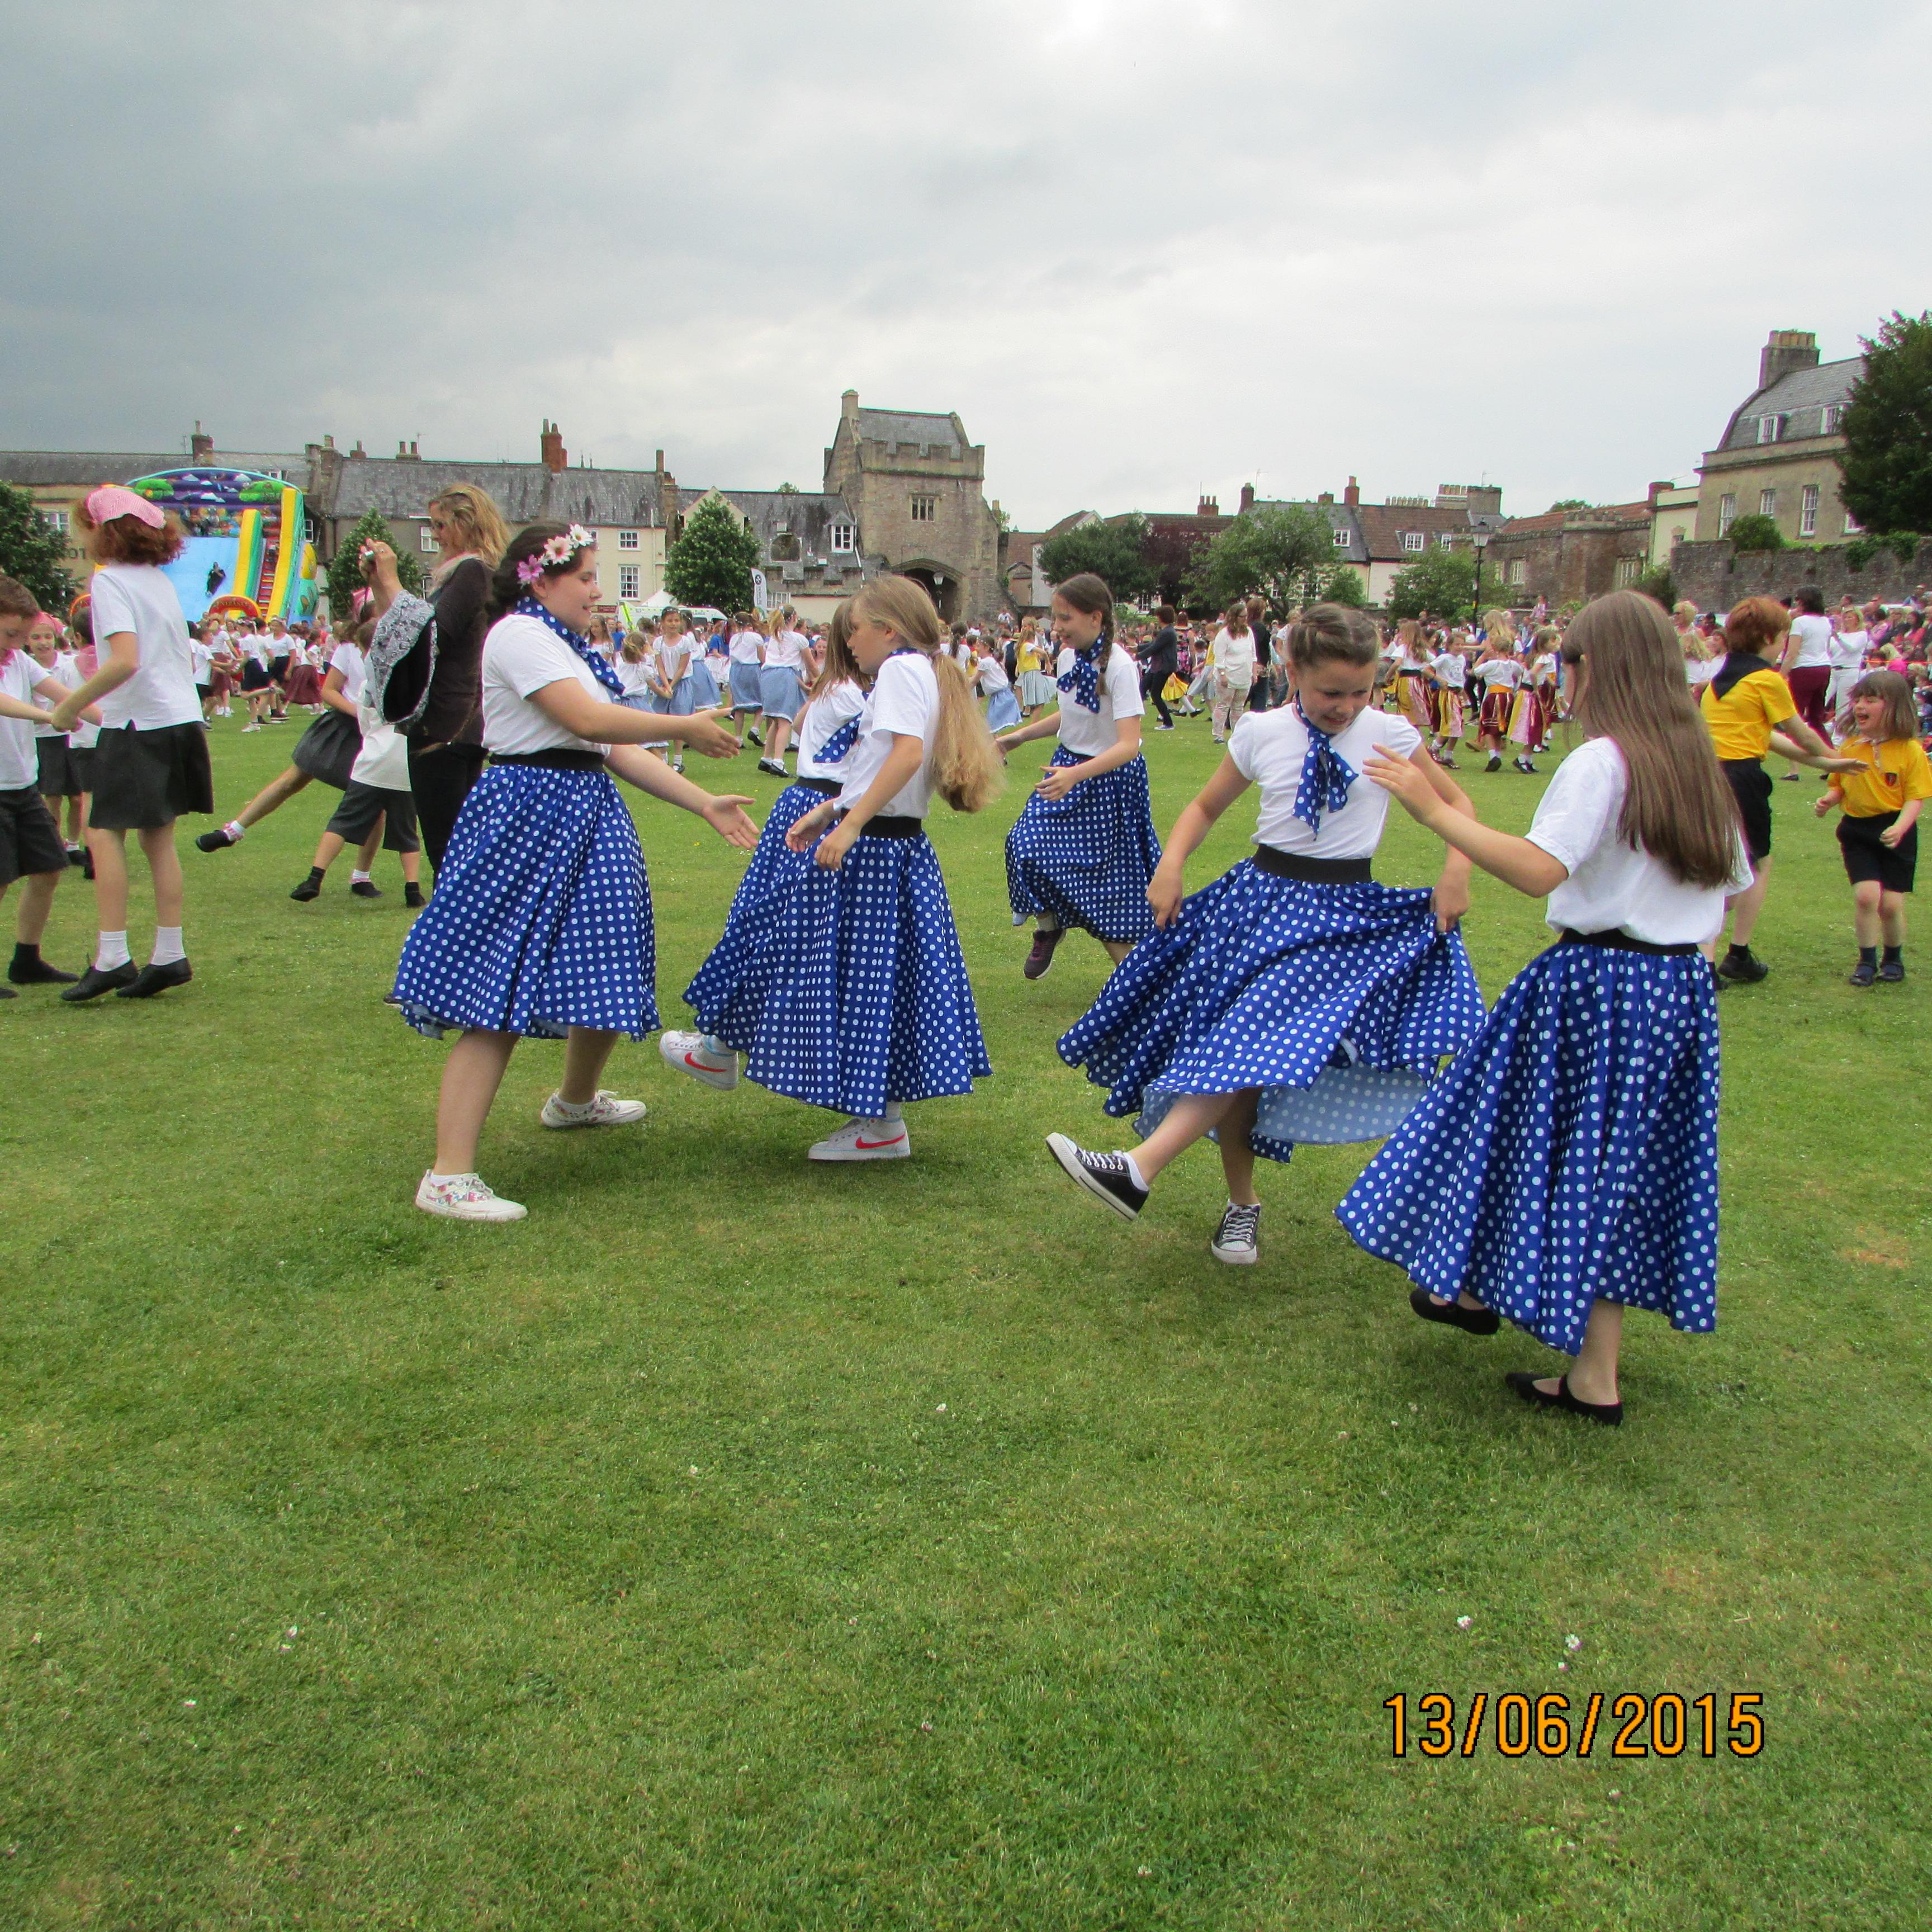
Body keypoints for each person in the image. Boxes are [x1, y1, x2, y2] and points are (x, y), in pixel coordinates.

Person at [1338, 591, 1755, 1427]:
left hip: (1598, 986)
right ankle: (1585, 1369)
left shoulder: (1604, 761)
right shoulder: (1694, 761)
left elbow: (1538, 870)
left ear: (1590, 667)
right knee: (1609, 1169)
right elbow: (1729, 885)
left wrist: (1432, 810)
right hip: (1675, 992)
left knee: (1520, 1136)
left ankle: (1467, 1288)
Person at [1046, 603, 1481, 1266]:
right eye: (1331, 692)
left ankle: (1137, 1169)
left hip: (1341, 921)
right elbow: (1204, 806)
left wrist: (1456, 870)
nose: (1346, 707)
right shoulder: (1262, 731)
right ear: (1292, 671)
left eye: (1361, 691)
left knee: (1250, 1041)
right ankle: (1240, 1206)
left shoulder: (1390, 733)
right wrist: (1171, 863)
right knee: (1247, 1062)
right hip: (1259, 908)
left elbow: (1459, 804)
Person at [391, 522, 754, 1223]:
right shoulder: (517, 635)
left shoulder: (564, 644)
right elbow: (588, 720)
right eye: (586, 577)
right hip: (529, 816)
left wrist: (703, 802)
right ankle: (448, 1174)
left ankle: (576, 1101)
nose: (596, 590)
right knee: (497, 985)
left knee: (608, 961)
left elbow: (607, 746)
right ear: (541, 578)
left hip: (583, 810)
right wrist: (683, 727)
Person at [664, 574, 1002, 1163]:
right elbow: (882, 765)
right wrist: (830, 810)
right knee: (870, 980)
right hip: (893, 849)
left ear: (888, 630)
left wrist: (849, 826)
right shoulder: (920, 671)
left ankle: (725, 1051)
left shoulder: (900, 670)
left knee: (799, 950)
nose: (847, 640)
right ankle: (876, 1120)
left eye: (855, 629)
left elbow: (905, 756)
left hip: (873, 852)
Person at [660, 605, 869, 1092]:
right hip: (819, 805)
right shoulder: (848, 693)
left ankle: (722, 1045)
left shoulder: (841, 692)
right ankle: (722, 1044)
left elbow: (811, 729)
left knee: (773, 921)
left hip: (816, 803)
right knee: (776, 922)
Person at [50, 487, 211, 1000]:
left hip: (138, 723)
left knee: (102, 832)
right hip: (177, 718)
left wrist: (71, 705)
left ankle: (113, 956)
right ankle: (169, 954)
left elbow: (123, 660)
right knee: (158, 839)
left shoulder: (110, 581)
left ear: (105, 532)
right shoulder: (158, 580)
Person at [995, 573, 1162, 978]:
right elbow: (1071, 716)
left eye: (1065, 618)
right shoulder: (1069, 657)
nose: (1057, 627)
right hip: (1068, 766)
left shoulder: (1121, 667)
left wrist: (1076, 776)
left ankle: (1134, 987)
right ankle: (1049, 926)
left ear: (1095, 617)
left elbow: (1128, 745)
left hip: (1111, 782)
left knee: (1111, 888)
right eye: (1056, 618)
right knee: (1023, 845)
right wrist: (1017, 738)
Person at [1699, 595, 1847, 985]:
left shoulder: (1717, 684)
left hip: (1709, 777)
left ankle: (1704, 959)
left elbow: (1769, 738)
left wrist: (1827, 764)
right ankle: (1737, 953)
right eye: (1783, 637)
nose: (1784, 645)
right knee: (1756, 863)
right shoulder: (1767, 679)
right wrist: (1836, 759)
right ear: (1768, 638)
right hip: (1742, 778)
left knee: (1719, 863)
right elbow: (1801, 733)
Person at [361, 484, 508, 875]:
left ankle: (458, 915)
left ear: (466, 524)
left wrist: (393, 581)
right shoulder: (468, 574)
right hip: (455, 725)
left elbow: (430, 637)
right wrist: (379, 585)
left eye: (441, 525)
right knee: (456, 847)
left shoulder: (472, 571)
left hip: (447, 726)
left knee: (448, 851)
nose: (435, 534)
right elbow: (400, 636)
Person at [0, 576, 91, 991]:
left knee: (50, 868)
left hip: (22, 784)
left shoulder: (18, 661)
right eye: (11, 634)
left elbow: (63, 696)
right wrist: (50, 717)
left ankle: (27, 961)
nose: (19, 643)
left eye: (23, 634)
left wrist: (115, 722)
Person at [1815, 670, 1929, 985]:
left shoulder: (1911, 750)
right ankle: (1866, 961)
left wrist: (1900, 828)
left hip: (1895, 832)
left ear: (1894, 708)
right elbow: (1840, 786)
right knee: (1866, 897)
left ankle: (1893, 959)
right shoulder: (1852, 747)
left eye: (1871, 700)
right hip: (1857, 831)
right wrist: (1829, 800)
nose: (1860, 706)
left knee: (1891, 905)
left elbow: (1915, 798)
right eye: (1858, 700)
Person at [1779, 585, 1835, 770]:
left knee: (1793, 716)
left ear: (1804, 602)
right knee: (1816, 718)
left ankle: (1794, 768)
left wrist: (1781, 675)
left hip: (1803, 670)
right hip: (1824, 668)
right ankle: (1833, 761)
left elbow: (1792, 653)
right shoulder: (1826, 622)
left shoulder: (1800, 622)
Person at [756, 608, 810, 776]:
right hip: (785, 677)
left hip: (768, 676)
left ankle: (767, 758)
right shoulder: (799, 639)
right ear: (794, 618)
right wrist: (819, 681)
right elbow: (811, 666)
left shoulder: (773, 637)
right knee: (785, 720)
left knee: (776, 719)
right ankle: (778, 761)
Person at [1207, 603, 1256, 744]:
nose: (1245, 619)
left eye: (1246, 616)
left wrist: (1254, 672)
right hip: (1228, 675)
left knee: (1239, 707)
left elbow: (1253, 654)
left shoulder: (1248, 632)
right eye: (1242, 617)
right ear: (1234, 617)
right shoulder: (1224, 634)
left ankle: (1237, 735)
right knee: (1223, 705)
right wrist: (1222, 674)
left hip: (1244, 676)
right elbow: (1219, 657)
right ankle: (1218, 734)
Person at [726, 613, 766, 747]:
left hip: (736, 670)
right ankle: (755, 729)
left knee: (739, 706)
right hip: (752, 669)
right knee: (761, 702)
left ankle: (738, 738)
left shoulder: (734, 639)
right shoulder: (756, 637)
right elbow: (762, 658)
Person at [1137, 605, 1180, 730]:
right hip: (1157, 666)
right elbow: (1154, 644)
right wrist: (1138, 648)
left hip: (1163, 667)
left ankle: (1168, 723)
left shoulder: (1168, 632)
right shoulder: (1166, 631)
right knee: (1142, 688)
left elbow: (1155, 648)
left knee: (1155, 694)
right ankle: (1135, 716)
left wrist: (1137, 656)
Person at [974, 632, 1021, 732]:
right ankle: (995, 740)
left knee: (992, 727)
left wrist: (963, 688)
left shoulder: (986, 662)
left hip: (1001, 697)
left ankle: (996, 740)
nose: (976, 648)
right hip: (1003, 695)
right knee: (991, 726)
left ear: (986, 648)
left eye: (978, 646)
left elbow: (975, 680)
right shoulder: (990, 660)